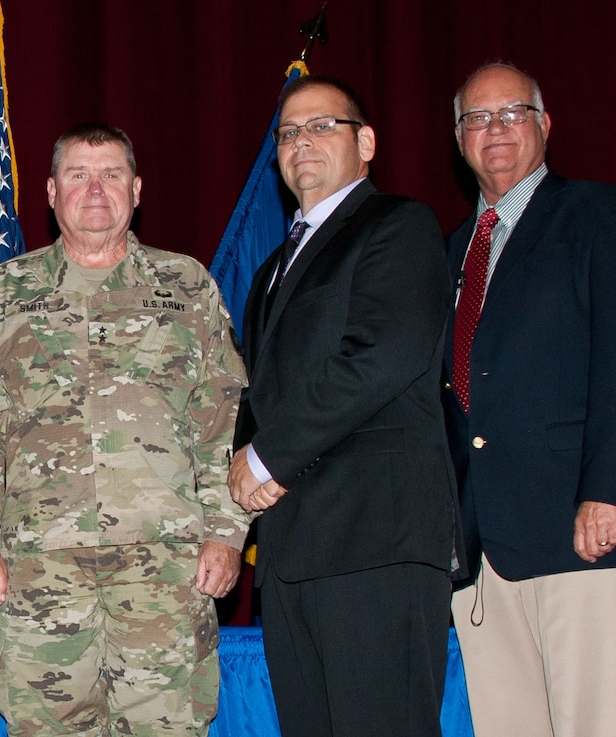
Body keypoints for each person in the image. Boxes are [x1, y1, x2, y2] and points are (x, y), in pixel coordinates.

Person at [0, 123, 249, 736]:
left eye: (111, 174)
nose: (95, 189)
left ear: (136, 189)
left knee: (167, 728)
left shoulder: (187, 286)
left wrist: (226, 534)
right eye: (77, 175)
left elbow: (218, 426)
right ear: (50, 191)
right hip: (38, 570)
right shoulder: (7, 293)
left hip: (166, 570)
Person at [445, 63, 616, 737]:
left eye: (512, 114)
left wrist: (611, 489)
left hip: (583, 533)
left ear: (545, 126)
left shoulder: (604, 213)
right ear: (458, 139)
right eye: (477, 119)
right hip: (486, 552)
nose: (495, 130)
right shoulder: (457, 247)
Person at [227, 77, 455, 737]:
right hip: (294, 553)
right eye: (289, 132)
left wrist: (264, 458)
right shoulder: (273, 268)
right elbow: (258, 394)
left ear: (367, 142)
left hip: (373, 543)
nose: (302, 142)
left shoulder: (399, 227)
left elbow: (380, 356)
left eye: (322, 125)